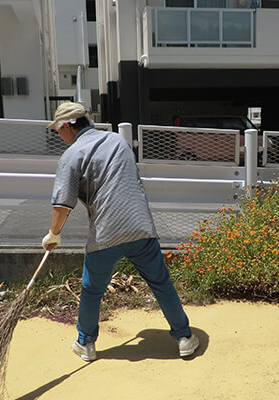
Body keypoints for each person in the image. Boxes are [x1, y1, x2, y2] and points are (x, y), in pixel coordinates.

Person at [42, 102, 199, 361]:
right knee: (161, 284)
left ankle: (86, 344)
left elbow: (61, 203)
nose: (59, 136)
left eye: (57, 131)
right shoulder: (117, 141)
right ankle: (184, 338)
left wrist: (53, 234)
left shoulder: (72, 155)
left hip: (107, 233)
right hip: (141, 227)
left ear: (67, 126)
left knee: (92, 290)